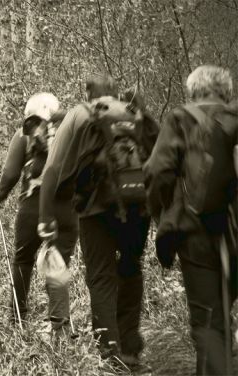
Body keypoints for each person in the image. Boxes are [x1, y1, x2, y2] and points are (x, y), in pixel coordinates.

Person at [37, 75, 158, 372]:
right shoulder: (132, 112)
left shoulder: (81, 113)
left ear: (88, 92)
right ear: (115, 92)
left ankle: (111, 353)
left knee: (101, 276)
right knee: (131, 268)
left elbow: (52, 167)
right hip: (136, 205)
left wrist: (46, 214)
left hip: (95, 209)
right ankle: (131, 349)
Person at [145, 65, 238, 376]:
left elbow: (158, 172)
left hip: (199, 234)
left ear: (194, 90)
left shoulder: (181, 118)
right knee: (220, 316)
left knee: (208, 319)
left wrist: (165, 213)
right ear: (226, 92)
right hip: (234, 233)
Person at [0, 93, 78, 331]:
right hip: (66, 209)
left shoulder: (24, 135)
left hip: (32, 206)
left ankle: (18, 317)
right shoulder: (70, 132)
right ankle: (59, 323)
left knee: (23, 260)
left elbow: (10, 173)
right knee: (58, 264)